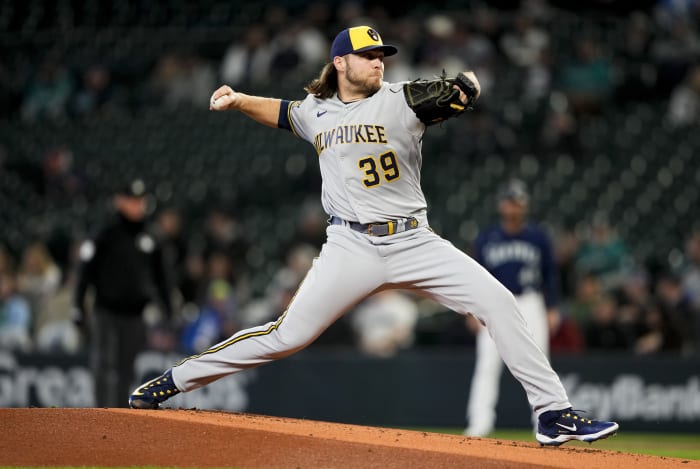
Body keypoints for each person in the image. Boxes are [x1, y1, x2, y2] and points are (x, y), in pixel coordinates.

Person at [129, 25, 618, 446]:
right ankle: (172, 382)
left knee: (498, 300)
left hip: (413, 240)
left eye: (382, 55)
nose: (378, 62)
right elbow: (283, 112)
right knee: (285, 336)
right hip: (351, 245)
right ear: (340, 62)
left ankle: (552, 414)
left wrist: (466, 84)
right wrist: (239, 101)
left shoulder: (403, 99)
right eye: (368, 55)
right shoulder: (316, 110)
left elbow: (458, 92)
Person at [464, 179, 561, 437]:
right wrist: (471, 310)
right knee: (487, 364)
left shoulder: (538, 236)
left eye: (517, 202)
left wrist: (552, 307)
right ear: (501, 205)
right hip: (493, 302)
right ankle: (479, 423)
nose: (513, 206)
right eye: (509, 201)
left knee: (539, 362)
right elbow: (475, 274)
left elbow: (551, 274)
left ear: (524, 205)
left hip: (530, 302)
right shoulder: (487, 237)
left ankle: (545, 423)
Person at [74, 178, 174, 407]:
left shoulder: (151, 235)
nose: (136, 206)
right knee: (104, 364)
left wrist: (169, 309)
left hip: (136, 314)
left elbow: (163, 277)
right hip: (106, 311)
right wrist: (77, 305)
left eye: (139, 201)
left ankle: (120, 416)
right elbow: (85, 272)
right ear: (119, 201)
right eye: (131, 200)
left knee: (127, 368)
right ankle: (103, 413)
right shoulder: (105, 233)